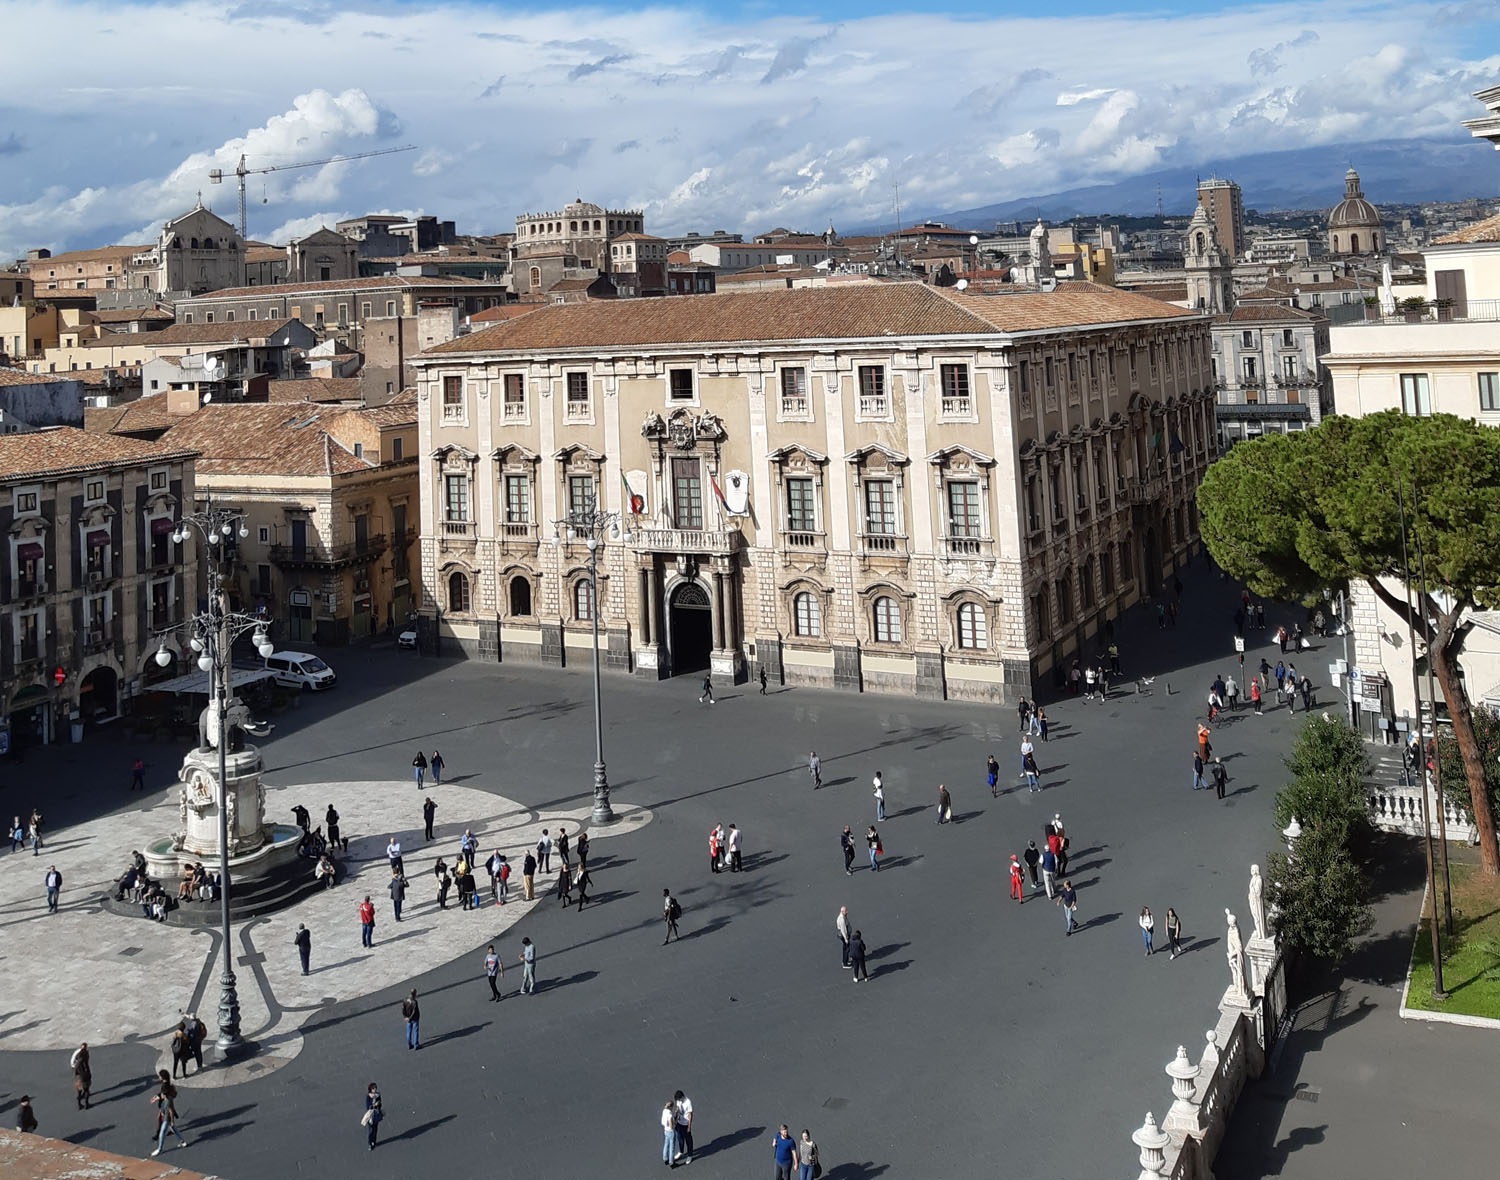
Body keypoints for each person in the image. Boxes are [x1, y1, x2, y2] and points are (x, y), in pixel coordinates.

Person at [150, 1071, 185, 1156]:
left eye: (161, 1094)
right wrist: (161, 1112)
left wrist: (172, 1121)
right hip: (165, 1115)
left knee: (162, 1132)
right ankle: (182, 1142)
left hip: (167, 1117)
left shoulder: (167, 1101)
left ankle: (159, 1149)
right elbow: (164, 1106)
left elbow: (171, 1111)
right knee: (173, 1129)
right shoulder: (166, 1096)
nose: (160, 1095)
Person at [673, 1091, 694, 1164]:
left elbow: (690, 1115)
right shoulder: (679, 1101)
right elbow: (678, 1107)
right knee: (680, 1138)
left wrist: (689, 1127)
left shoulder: (688, 1102)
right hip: (679, 1123)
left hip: (685, 1124)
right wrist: (677, 1111)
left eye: (679, 1099)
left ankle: (690, 1155)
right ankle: (681, 1151)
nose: (678, 1101)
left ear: (682, 1097)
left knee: (688, 1141)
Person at [71, 1043, 91, 1110]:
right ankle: (87, 1104)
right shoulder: (85, 1058)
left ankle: (79, 1105)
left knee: (79, 1091)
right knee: (86, 1090)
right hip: (85, 1076)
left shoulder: (79, 1059)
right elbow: (86, 1066)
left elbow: (75, 1066)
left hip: (79, 1077)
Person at [363, 1082, 382, 1150]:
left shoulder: (378, 1095)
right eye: (373, 1088)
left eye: (375, 1088)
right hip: (370, 1115)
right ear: (370, 1089)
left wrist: (378, 1104)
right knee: (371, 1130)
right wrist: (374, 1105)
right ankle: (370, 1143)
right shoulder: (368, 1096)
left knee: (375, 1130)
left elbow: (380, 1104)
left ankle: (374, 1142)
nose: (375, 1089)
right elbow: (368, 1107)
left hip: (376, 1114)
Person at [662, 1098, 678, 1168]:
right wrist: (675, 1122)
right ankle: (671, 1163)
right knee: (672, 1147)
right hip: (671, 1132)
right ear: (671, 1107)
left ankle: (665, 1159)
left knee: (666, 1144)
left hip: (665, 1130)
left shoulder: (664, 1111)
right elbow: (672, 1126)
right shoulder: (670, 1115)